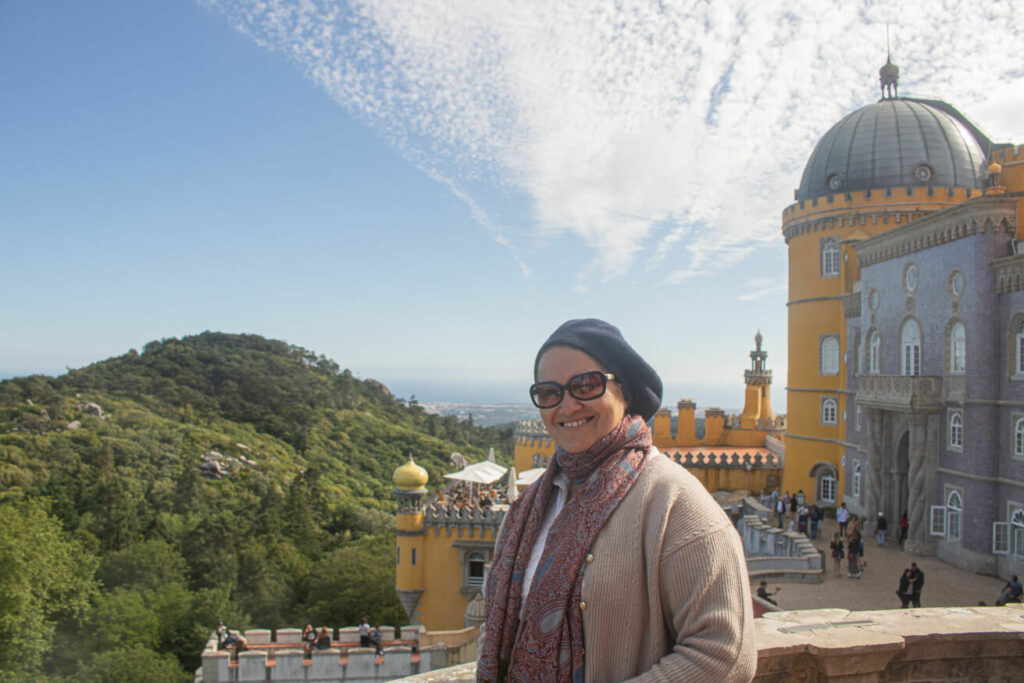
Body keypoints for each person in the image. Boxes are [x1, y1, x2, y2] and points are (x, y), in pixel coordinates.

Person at [479, 319, 756, 682]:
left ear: (623, 390)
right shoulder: (529, 509)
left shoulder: (674, 502)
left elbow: (726, 653)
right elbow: (499, 625)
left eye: (586, 385)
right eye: (549, 392)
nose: (568, 405)